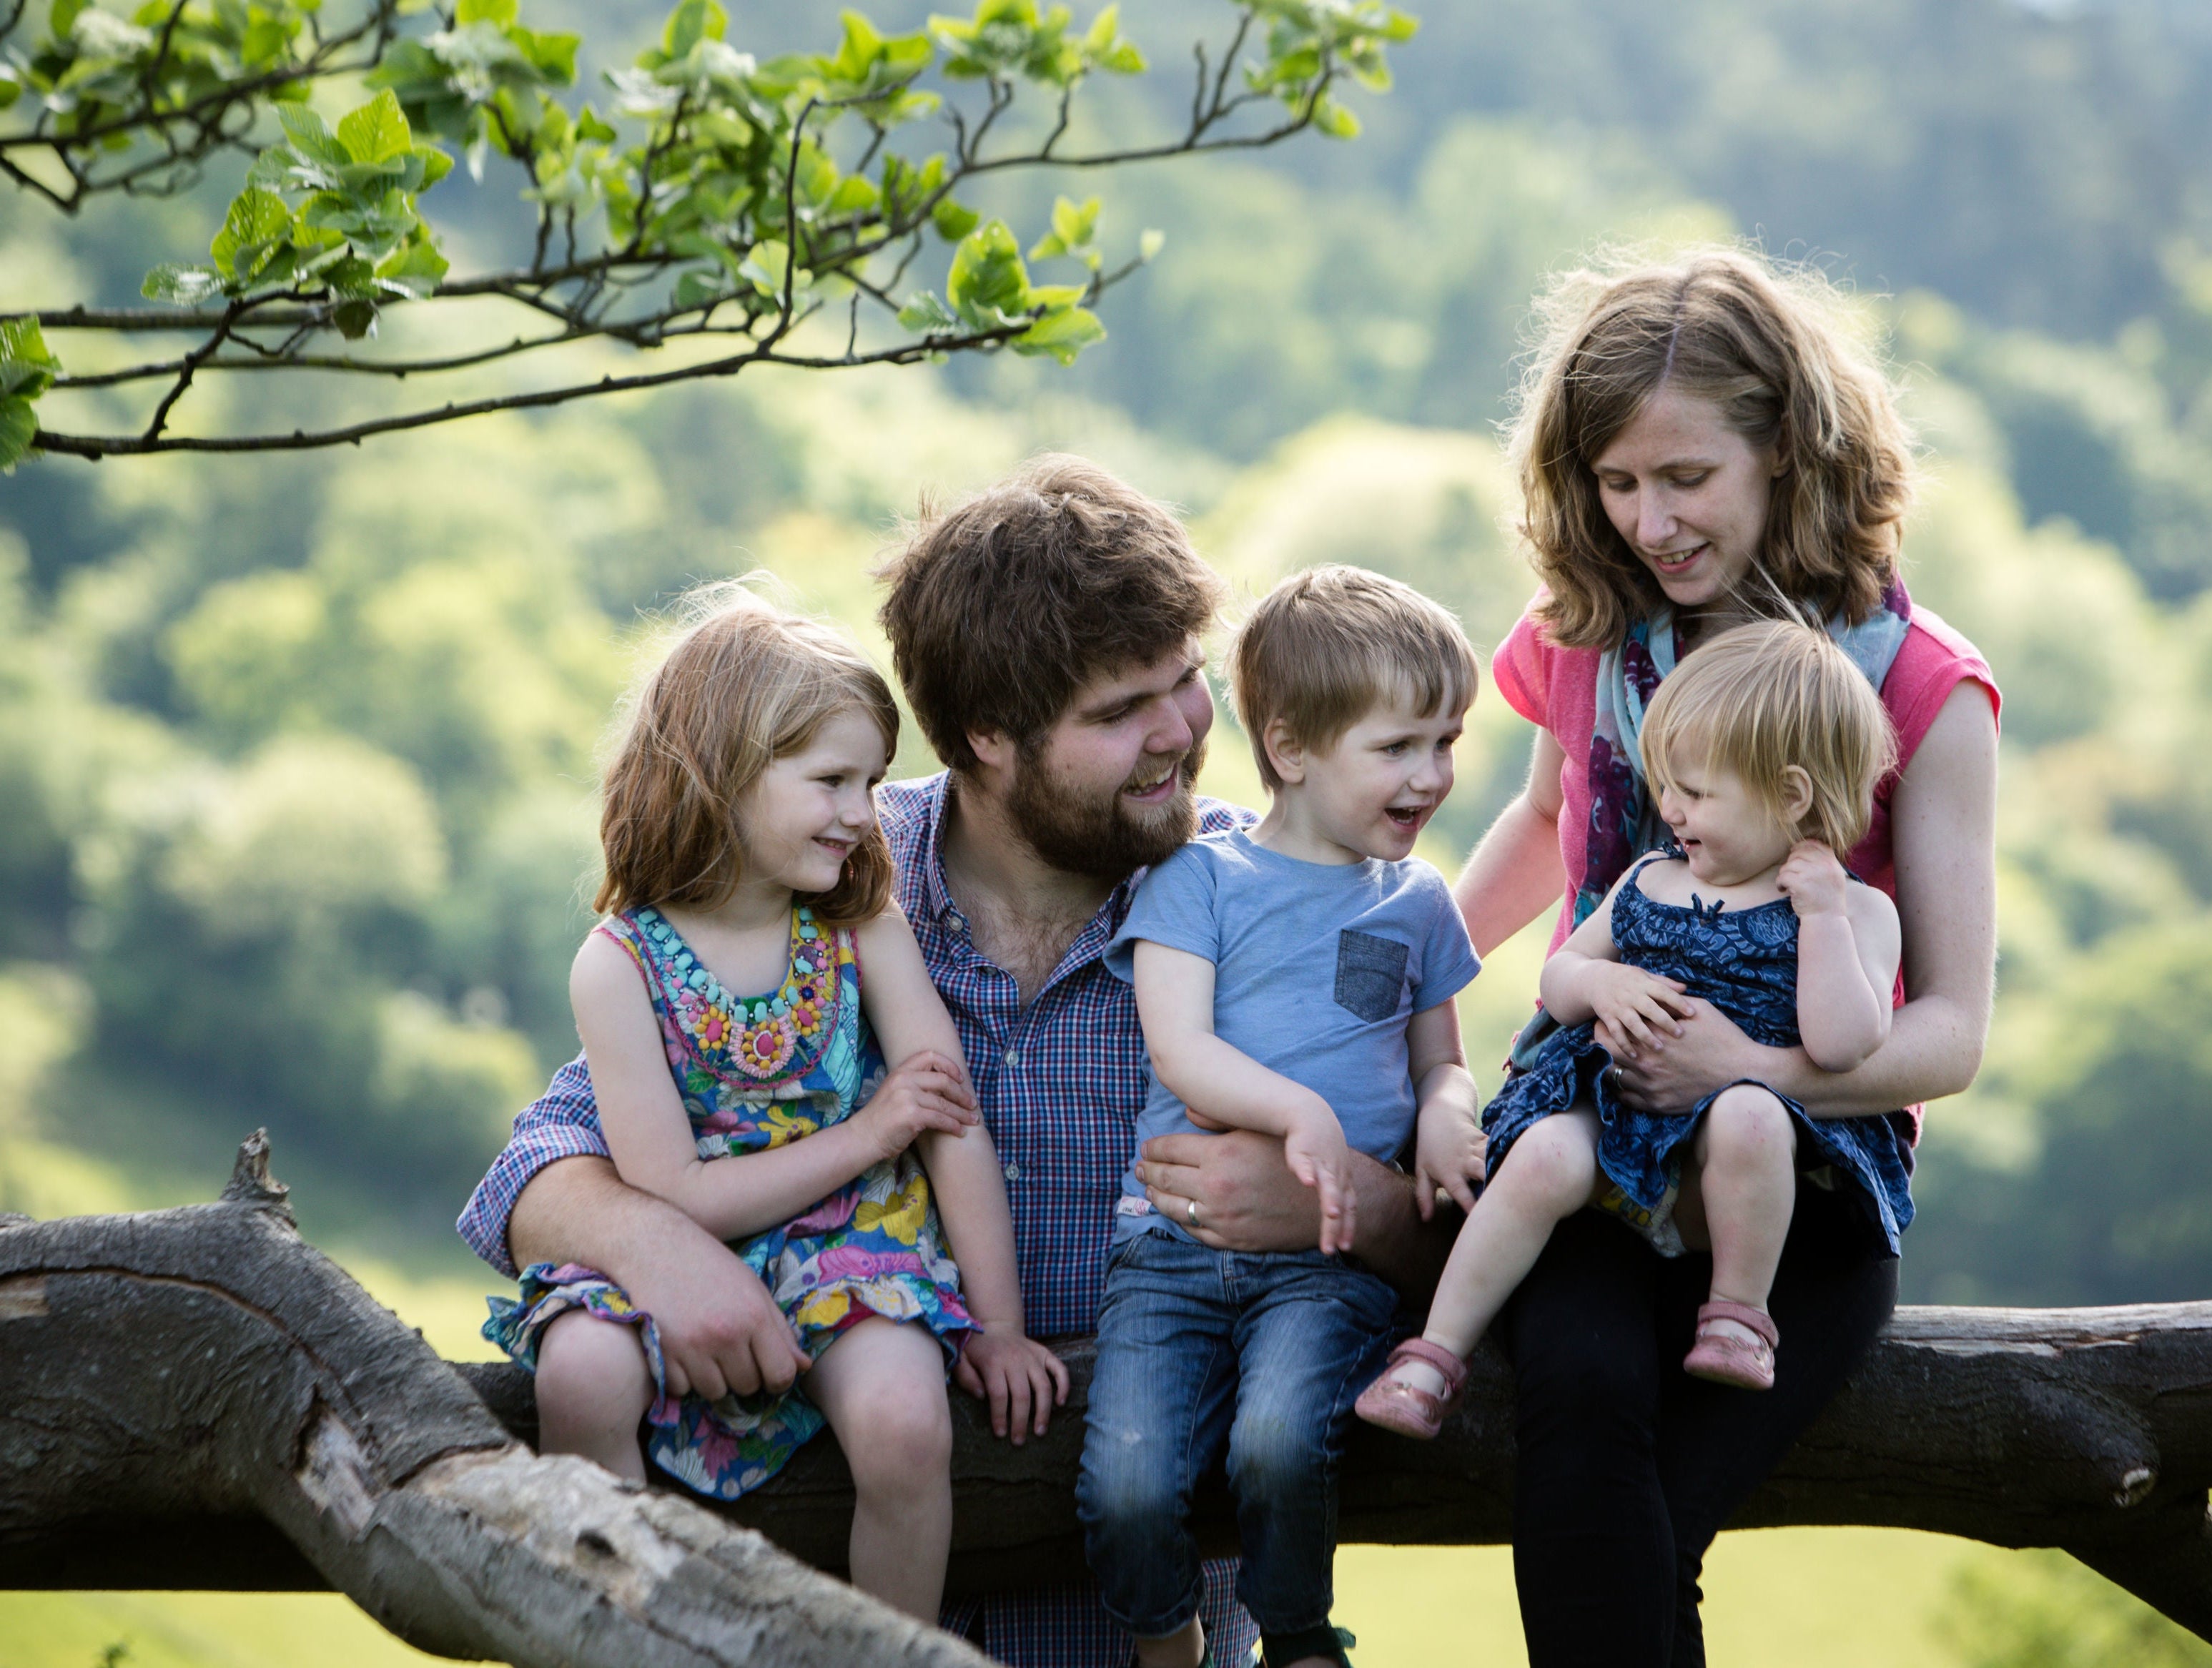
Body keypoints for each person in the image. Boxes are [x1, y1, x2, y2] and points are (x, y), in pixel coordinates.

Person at [455, 456, 1447, 1667]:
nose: (1182, 730)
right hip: (816, 1609)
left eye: (1185, 679)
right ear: (989, 734)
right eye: (1121, 708)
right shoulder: (825, 869)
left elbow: (1456, 1234)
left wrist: (1356, 1202)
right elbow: (544, 1159)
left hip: (1124, 1630)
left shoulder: (1287, 900)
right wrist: (656, 1242)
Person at [1443, 247, 2001, 1667]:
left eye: (1684, 476)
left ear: (1788, 449)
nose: (1649, 520)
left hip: (1800, 1180)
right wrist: (1407, 998)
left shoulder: (1918, 684)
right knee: (1571, 1413)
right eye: (1618, 483)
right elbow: (1543, 818)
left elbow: (1947, 1031)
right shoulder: (1592, 632)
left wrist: (1748, 1067)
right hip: (1594, 1139)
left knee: (1656, 1507)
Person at [480, 590, 1067, 1622]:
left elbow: (947, 1119)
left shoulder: (858, 925)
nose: (861, 811)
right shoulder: (619, 964)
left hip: (852, 1244)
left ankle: (888, 1653)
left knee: (902, 1422)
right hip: (686, 1232)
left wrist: (999, 1327)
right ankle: (626, 1637)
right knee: (579, 1377)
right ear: (722, 770)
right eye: (831, 781)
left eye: (872, 782)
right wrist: (866, 1131)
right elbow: (673, 1194)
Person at [1358, 621, 1905, 1441]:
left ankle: (1738, 1313)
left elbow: (1842, 1043)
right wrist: (1602, 981)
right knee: (1540, 1154)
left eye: (1695, 791)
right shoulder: (1651, 877)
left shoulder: (1855, 908)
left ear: (1791, 795)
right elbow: (1560, 977)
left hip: (1740, 1139)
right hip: (1612, 1102)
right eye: (1665, 784)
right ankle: (1433, 1354)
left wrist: (1822, 916)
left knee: (1750, 1113)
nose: (1669, 808)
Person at [1079, 567, 1483, 1668]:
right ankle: (1167, 1635)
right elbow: (1182, 1049)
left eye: (1444, 742)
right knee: (1123, 1475)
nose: (1431, 775)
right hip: (1170, 1251)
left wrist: (1450, 1112)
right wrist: (1295, 1109)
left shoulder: (1416, 903)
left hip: (1326, 1264)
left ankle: (1297, 1635)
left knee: (1277, 1443)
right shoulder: (1196, 880)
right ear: (1293, 748)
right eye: (1396, 748)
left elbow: (1439, 1059)